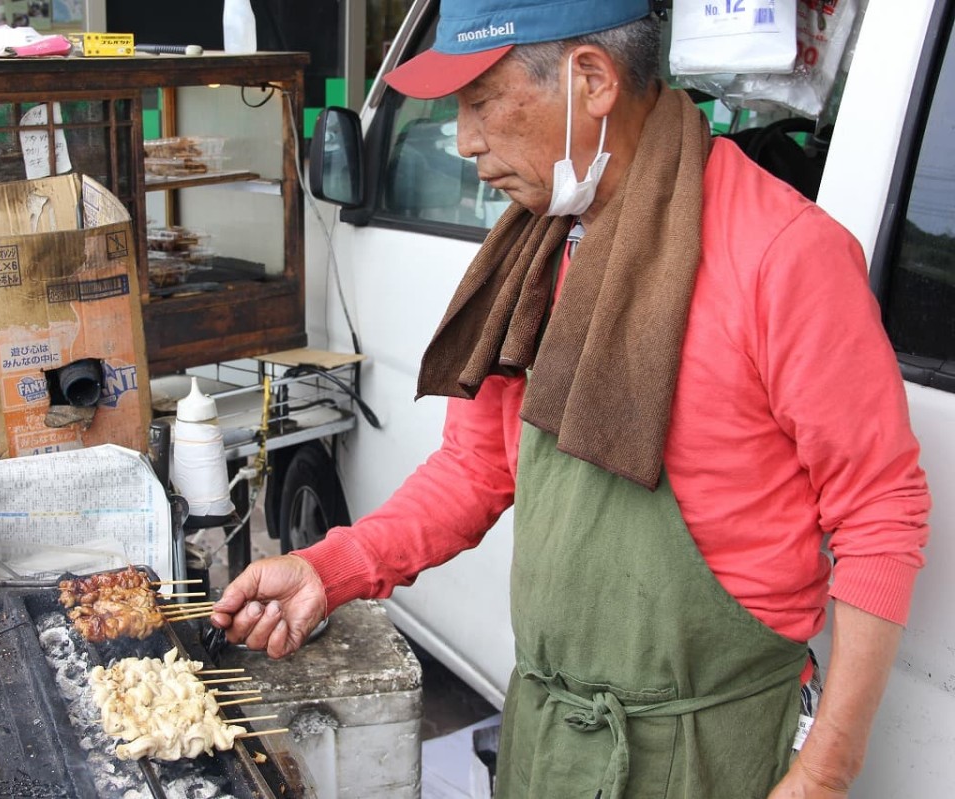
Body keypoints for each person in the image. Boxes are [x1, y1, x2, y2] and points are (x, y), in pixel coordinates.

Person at [211, 1, 931, 796]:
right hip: (550, 738)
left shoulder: (785, 256)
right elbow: (475, 469)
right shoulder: (531, 251)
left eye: (482, 101)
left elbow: (880, 517)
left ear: (592, 80)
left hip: (710, 749)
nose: (466, 141)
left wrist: (826, 771)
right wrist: (329, 566)